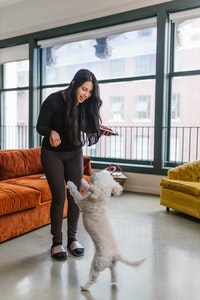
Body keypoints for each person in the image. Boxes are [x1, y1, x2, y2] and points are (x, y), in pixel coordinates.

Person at [36, 69, 113, 261]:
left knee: (75, 194)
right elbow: (40, 126)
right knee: (59, 197)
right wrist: (51, 132)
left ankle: (72, 238)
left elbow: (82, 126)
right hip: (52, 154)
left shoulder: (83, 104)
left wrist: (99, 129)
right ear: (73, 84)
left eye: (89, 92)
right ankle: (56, 242)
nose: (86, 95)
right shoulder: (53, 100)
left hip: (74, 153)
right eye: (84, 89)